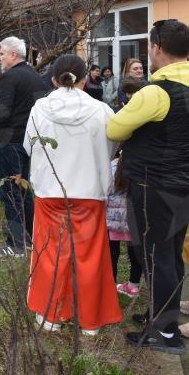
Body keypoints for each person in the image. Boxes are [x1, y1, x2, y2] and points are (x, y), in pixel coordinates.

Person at [108, 19, 189, 354]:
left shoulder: (156, 92)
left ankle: (166, 333)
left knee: (156, 255)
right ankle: (162, 316)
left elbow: (115, 128)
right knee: (171, 253)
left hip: (153, 185)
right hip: (182, 185)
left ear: (156, 47)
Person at [24, 54, 121, 335]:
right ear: (84, 79)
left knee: (50, 253)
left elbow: (30, 145)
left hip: (51, 190)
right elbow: (113, 144)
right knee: (89, 256)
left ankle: (50, 316)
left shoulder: (40, 108)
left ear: (53, 79)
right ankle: (90, 321)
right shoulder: (101, 110)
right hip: (89, 190)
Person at [0, 36, 49, 258]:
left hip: (9, 139)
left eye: (2, 53)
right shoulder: (35, 76)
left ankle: (16, 244)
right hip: (28, 140)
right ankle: (31, 236)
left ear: (13, 55)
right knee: (23, 189)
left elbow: (0, 113)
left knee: (10, 192)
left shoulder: (10, 77)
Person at [106, 155, 142, 299]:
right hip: (134, 222)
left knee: (112, 254)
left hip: (113, 221)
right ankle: (133, 286)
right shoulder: (141, 166)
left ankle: (110, 286)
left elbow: (106, 191)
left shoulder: (111, 167)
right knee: (135, 254)